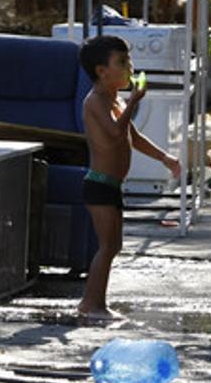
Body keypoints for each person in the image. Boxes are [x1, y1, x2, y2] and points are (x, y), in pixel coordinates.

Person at [77, 34, 182, 321]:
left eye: (129, 60)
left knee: (115, 246)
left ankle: (98, 302)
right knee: (107, 246)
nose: (131, 67)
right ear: (102, 71)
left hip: (112, 185)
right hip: (98, 183)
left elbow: (133, 137)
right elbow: (113, 135)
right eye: (122, 62)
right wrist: (134, 101)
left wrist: (165, 157)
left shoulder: (116, 102)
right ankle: (90, 304)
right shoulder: (95, 102)